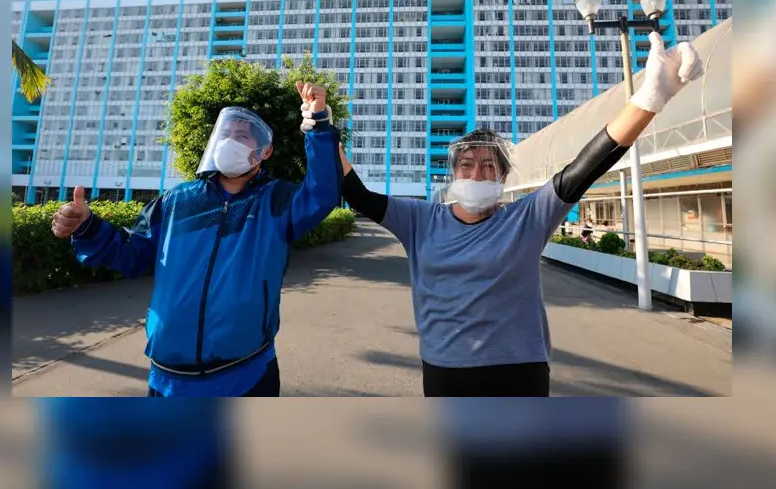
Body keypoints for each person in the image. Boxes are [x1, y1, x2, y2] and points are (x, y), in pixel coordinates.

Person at [309, 32, 703, 396]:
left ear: (503, 176)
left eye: (488, 166)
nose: (476, 173)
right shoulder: (420, 220)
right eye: (466, 165)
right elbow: (356, 193)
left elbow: (586, 167)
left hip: (520, 371)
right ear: (452, 173)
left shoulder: (527, 218)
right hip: (446, 369)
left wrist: (649, 99)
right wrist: (321, 127)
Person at [50, 82, 342, 397]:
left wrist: (318, 123)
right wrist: (88, 227)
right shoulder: (177, 200)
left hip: (247, 373)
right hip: (167, 379)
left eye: (242, 136)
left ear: (264, 152)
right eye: (226, 133)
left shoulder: (276, 201)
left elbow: (322, 193)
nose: (230, 141)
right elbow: (132, 252)